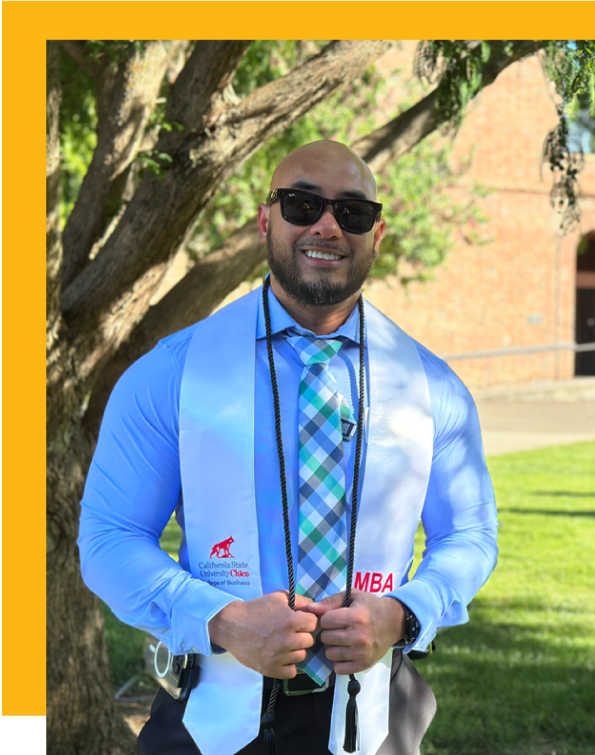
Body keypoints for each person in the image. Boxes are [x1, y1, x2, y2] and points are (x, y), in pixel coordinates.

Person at [78, 141, 499, 755]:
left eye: (352, 213)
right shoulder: (170, 374)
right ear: (265, 220)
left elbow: (471, 535)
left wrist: (403, 614)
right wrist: (222, 619)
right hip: (210, 714)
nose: (327, 224)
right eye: (302, 204)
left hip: (372, 714)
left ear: (376, 234)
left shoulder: (433, 389)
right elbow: (108, 537)